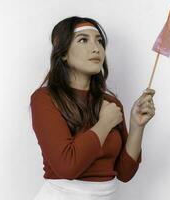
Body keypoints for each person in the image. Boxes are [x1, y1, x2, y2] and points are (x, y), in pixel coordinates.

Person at [30, 16, 156, 200]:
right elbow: (67, 166)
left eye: (99, 41)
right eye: (83, 40)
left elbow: (125, 173)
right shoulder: (44, 99)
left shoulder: (110, 104)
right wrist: (104, 123)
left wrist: (137, 125)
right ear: (63, 53)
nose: (96, 48)